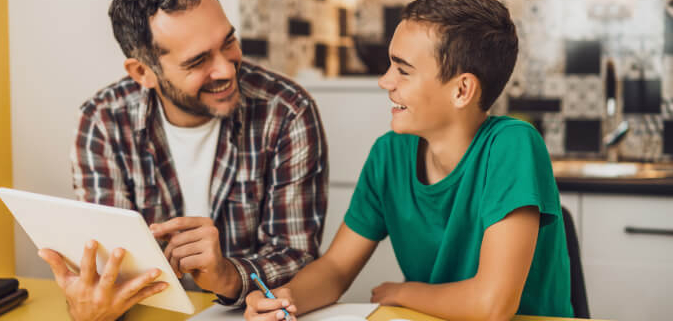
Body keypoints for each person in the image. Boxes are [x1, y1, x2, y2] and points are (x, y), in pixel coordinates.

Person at [244, 0, 574, 320]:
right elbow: (335, 269)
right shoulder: (388, 155)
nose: (385, 81)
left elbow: (492, 306)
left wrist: (403, 293)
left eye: (403, 70)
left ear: (461, 91)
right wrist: (286, 298)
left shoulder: (512, 145)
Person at [36, 0, 329, 320]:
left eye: (228, 42)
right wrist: (88, 307)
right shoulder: (103, 122)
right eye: (198, 61)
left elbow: (296, 254)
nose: (227, 70)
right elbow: (110, 270)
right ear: (143, 72)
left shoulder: (286, 110)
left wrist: (229, 276)